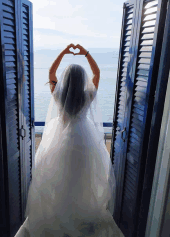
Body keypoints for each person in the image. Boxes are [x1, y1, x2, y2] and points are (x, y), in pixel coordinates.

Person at [15, 44, 124, 237]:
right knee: (81, 182)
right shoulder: (88, 96)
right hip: (84, 143)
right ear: (83, 81)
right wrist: (86, 53)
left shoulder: (58, 95)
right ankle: (79, 217)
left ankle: (60, 216)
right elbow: (97, 73)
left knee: (58, 181)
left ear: (66, 81)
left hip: (59, 142)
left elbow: (51, 72)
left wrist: (64, 52)